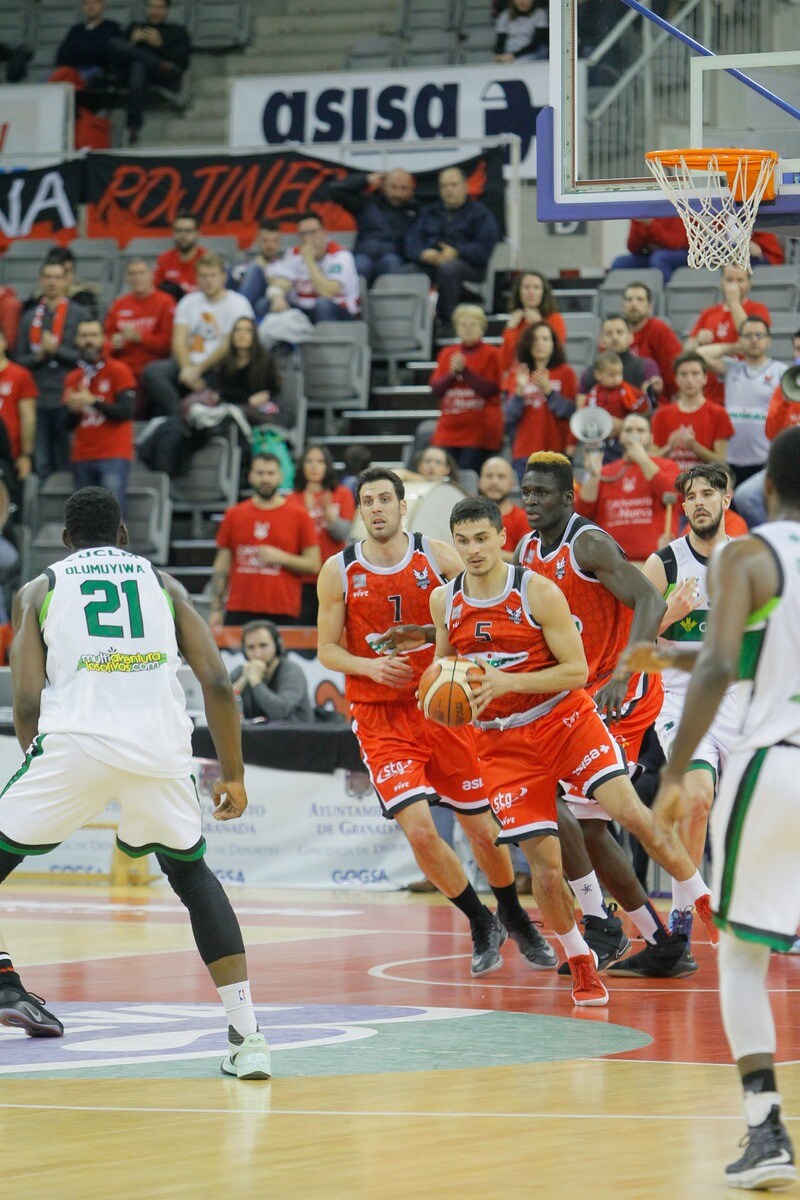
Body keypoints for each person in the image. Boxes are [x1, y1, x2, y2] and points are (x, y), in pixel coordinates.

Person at [0, 487, 272, 1078]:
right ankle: (248, 1037)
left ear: (66, 540)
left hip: (77, 742)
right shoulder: (166, 585)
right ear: (124, 534)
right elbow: (219, 686)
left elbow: (25, 697)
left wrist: (42, 764)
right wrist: (233, 773)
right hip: (160, 750)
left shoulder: (39, 589)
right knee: (191, 875)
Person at [620, 427, 800, 1190]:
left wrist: (672, 770)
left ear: (765, 490)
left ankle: (765, 1129)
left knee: (742, 959)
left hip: (778, 766)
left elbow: (726, 662)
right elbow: (753, 655)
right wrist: (666, 655)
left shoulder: (748, 555)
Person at [317, 468, 556, 978]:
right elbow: (326, 649)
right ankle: (479, 920)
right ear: (359, 511)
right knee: (421, 831)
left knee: (481, 828)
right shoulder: (338, 570)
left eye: (386, 499)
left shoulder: (437, 555)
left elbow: (481, 601)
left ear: (403, 508)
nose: (377, 508)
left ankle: (513, 913)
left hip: (442, 707)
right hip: (380, 716)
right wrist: (368, 665)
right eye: (368, 501)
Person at [517, 452, 705, 978]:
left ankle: (610, 925)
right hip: (578, 692)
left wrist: (626, 669)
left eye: (542, 493)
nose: (531, 501)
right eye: (526, 492)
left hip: (621, 691)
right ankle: (656, 940)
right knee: (574, 817)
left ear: (569, 496)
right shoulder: (527, 549)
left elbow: (649, 599)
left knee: (583, 816)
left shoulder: (589, 543)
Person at [433, 497, 623, 1005]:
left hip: (559, 719)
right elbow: (442, 669)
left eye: (481, 538)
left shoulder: (535, 591)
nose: (472, 549)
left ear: (501, 538)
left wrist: (506, 679)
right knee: (545, 867)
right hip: (500, 743)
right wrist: (442, 697)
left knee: (610, 817)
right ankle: (580, 959)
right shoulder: (444, 600)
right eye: (463, 540)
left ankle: (639, 912)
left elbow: (576, 671)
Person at [636, 464, 739, 966]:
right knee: (696, 799)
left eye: (708, 494)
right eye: (690, 496)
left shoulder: (751, 559)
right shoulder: (665, 564)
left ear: (727, 499)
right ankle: (682, 920)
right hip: (682, 696)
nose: (699, 502)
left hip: (744, 696)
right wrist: (668, 616)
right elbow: (632, 642)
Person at [210, 453, 321, 628]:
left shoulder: (299, 516)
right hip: (239, 608)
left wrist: (281, 558)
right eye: (260, 473)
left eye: (270, 473)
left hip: (283, 610)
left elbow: (314, 564)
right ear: (251, 476)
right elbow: (222, 565)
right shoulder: (234, 514)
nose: (265, 479)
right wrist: (216, 607)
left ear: (280, 476)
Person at [142, 254, 254, 417]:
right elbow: (179, 341)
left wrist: (197, 370)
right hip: (188, 363)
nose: (208, 280)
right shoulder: (188, 301)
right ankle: (177, 417)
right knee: (153, 372)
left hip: (220, 366)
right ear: (197, 278)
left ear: (223, 277)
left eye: (213, 275)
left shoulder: (238, 303)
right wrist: (188, 368)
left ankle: (179, 419)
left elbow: (227, 344)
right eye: (203, 276)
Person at [15, 260, 89, 479]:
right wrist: (39, 356)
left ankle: (68, 509)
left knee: (67, 457)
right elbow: (19, 360)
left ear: (66, 281)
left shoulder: (79, 314)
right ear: (40, 281)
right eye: (47, 277)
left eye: (57, 277)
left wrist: (57, 351)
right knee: (42, 460)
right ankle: (43, 511)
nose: (52, 282)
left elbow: (86, 358)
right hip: (37, 395)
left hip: (67, 394)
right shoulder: (29, 317)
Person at [575, 412, 680, 564]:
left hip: (654, 561)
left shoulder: (667, 465)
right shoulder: (606, 471)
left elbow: (673, 493)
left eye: (640, 430)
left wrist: (642, 459)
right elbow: (582, 512)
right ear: (621, 437)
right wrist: (593, 476)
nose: (634, 435)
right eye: (629, 430)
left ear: (651, 437)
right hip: (612, 563)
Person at [404, 167, 499, 329]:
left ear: (465, 187)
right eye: (444, 186)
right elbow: (411, 242)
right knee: (405, 272)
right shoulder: (429, 212)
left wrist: (457, 252)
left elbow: (484, 249)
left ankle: (447, 323)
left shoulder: (481, 214)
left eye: (454, 185)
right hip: (432, 264)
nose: (449, 190)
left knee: (449, 269)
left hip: (469, 267)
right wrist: (423, 253)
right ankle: (410, 325)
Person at [697, 316, 787, 485]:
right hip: (731, 456)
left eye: (759, 336)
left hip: (765, 458)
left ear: (769, 341)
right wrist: (734, 347)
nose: (754, 340)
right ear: (739, 340)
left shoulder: (781, 372)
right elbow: (698, 354)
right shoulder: (732, 369)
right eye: (748, 336)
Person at [63, 318, 136, 510]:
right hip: (82, 455)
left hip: (113, 453)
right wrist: (72, 409)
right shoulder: (73, 378)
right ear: (77, 340)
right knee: (84, 515)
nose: (89, 341)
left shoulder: (119, 370)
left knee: (112, 511)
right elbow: (67, 425)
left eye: (94, 335)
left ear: (104, 339)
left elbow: (126, 411)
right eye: (84, 336)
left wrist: (93, 401)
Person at [684, 265, 771, 407]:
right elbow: (688, 349)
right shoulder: (709, 313)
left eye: (740, 280)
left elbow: (748, 334)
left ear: (749, 283)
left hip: (743, 389)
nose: (734, 286)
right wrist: (699, 340)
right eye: (729, 280)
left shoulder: (757, 309)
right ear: (722, 282)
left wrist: (734, 303)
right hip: (710, 393)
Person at [429, 304, 502, 473]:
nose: (468, 329)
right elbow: (435, 388)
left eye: (473, 325)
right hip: (448, 430)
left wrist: (465, 372)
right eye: (463, 325)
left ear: (482, 328)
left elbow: (491, 388)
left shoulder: (492, 353)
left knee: (467, 476)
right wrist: (452, 374)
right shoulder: (447, 353)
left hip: (478, 432)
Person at [108, 0, 191, 145]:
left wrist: (161, 45)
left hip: (163, 75)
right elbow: (116, 54)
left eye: (159, 8)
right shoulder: (135, 27)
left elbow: (183, 61)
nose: (155, 11)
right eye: (152, 7)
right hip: (134, 75)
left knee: (138, 67)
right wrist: (131, 42)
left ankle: (134, 125)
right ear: (147, 9)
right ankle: (155, 61)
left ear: (166, 10)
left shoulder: (176, 30)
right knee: (130, 59)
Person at [291, 444, 355, 625]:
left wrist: (331, 518)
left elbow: (345, 534)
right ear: (302, 466)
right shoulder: (292, 498)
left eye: (319, 461)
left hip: (333, 577)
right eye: (309, 461)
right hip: (301, 579)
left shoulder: (341, 494)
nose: (314, 466)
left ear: (327, 465)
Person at [503, 322, 577, 476]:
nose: (539, 344)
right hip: (525, 453)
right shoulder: (519, 373)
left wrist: (548, 390)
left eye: (545, 339)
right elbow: (509, 417)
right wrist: (519, 390)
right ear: (528, 344)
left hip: (556, 452)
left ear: (554, 345)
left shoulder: (566, 373)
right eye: (535, 339)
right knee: (530, 501)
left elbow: (569, 411)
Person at [323, 169, 418, 285]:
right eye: (393, 187)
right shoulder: (366, 202)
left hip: (395, 257)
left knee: (391, 262)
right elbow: (334, 189)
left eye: (404, 188)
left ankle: (393, 303)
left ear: (411, 190)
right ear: (383, 186)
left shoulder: (416, 209)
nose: (398, 193)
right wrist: (365, 179)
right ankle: (354, 302)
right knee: (361, 264)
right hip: (364, 254)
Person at [104, 258, 176, 413]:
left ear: (151, 275)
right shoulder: (118, 305)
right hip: (123, 372)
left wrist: (140, 338)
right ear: (126, 278)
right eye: (132, 274)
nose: (137, 278)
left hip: (152, 371)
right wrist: (112, 344)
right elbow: (104, 344)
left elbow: (167, 345)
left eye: (141, 273)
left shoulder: (165, 302)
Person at [266, 211, 360, 323]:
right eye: (303, 234)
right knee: (266, 304)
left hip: (338, 311)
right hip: (303, 310)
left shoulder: (340, 256)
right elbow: (282, 281)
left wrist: (309, 261)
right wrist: (277, 295)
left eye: (312, 232)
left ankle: (324, 340)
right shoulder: (294, 254)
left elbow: (327, 292)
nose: (308, 238)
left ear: (324, 232)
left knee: (322, 304)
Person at [651, 352, 734, 473]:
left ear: (705, 378)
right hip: (670, 483)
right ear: (676, 379)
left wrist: (694, 447)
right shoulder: (661, 415)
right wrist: (668, 448)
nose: (689, 380)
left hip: (705, 483)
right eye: (683, 374)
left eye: (695, 374)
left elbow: (721, 461)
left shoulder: (718, 413)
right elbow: (652, 459)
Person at [230, 619, 313, 724]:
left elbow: (280, 712)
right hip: (256, 737)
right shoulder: (241, 672)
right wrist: (242, 681)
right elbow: (219, 709)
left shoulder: (292, 671)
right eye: (250, 647)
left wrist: (256, 682)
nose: (257, 654)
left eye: (263, 645)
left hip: (294, 736)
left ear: (277, 645)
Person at [576, 349, 649, 462]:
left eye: (619, 374)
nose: (617, 379)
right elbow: (583, 417)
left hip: (622, 442)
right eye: (612, 375)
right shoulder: (593, 394)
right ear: (598, 375)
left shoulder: (626, 390)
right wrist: (571, 444)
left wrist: (644, 396)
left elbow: (641, 408)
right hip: (601, 442)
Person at [622, 281, 683, 402]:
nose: (634, 304)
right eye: (629, 300)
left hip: (656, 401)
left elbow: (672, 371)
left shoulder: (659, 330)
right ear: (623, 306)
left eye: (640, 299)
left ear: (650, 307)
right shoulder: (616, 330)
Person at [578, 314, 661, 403]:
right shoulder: (590, 373)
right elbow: (581, 411)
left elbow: (650, 405)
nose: (615, 337)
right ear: (601, 341)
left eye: (619, 332)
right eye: (609, 333)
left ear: (631, 337)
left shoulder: (647, 366)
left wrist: (652, 388)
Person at [500, 271, 567, 372]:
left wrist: (540, 325)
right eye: (526, 287)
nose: (531, 292)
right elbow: (505, 363)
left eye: (536, 288)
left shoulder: (555, 318)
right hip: (520, 374)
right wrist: (510, 329)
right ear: (519, 292)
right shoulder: (515, 321)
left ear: (543, 292)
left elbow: (557, 354)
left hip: (548, 372)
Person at [0, 327, 36, 487]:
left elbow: (28, 417)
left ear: (4, 342)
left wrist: (25, 455)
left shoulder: (19, 375)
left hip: (9, 453)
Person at [53, 0, 120, 86]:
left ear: (102, 5)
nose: (91, 6)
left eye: (95, 3)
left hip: (98, 71)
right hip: (73, 70)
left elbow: (105, 53)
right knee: (47, 80)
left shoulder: (111, 28)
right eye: (87, 3)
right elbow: (62, 55)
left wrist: (80, 52)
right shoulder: (76, 30)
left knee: (74, 80)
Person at [609, 216, 689, 283]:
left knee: (659, 259)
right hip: (651, 254)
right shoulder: (643, 212)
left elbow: (676, 243)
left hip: (682, 254)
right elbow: (633, 248)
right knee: (619, 263)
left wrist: (651, 224)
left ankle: (665, 297)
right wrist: (639, 224)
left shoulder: (674, 207)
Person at [479, 455, 528, 561]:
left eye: (501, 476)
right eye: (489, 476)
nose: (494, 482)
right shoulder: (468, 517)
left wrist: (485, 553)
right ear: (480, 482)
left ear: (512, 484)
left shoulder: (522, 518)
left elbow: (527, 560)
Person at [234, 220, 285, 318]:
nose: (270, 246)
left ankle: (237, 316)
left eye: (274, 241)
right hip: (246, 296)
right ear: (257, 241)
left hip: (267, 301)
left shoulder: (285, 264)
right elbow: (236, 275)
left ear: (280, 242)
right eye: (265, 241)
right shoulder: (248, 264)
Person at [154, 212, 207, 300]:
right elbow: (154, 293)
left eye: (188, 231)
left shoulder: (207, 259)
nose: (183, 235)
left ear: (198, 233)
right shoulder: (164, 259)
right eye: (178, 231)